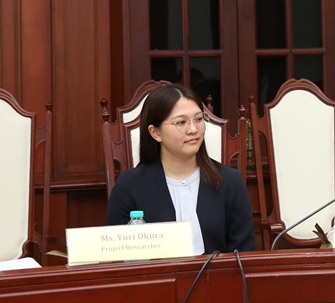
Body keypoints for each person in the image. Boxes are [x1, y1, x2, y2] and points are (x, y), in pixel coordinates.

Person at [106, 83, 256, 253]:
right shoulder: (129, 186)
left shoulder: (230, 181)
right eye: (181, 122)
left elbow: (244, 254)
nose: (193, 129)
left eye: (199, 119)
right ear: (156, 133)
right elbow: (118, 257)